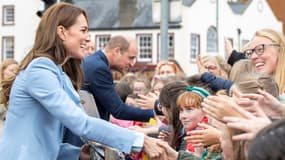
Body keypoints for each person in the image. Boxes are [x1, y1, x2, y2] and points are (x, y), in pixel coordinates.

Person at [0, 3, 165, 159]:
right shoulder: (40, 70)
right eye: (83, 30)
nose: (88, 38)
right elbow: (81, 123)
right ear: (62, 32)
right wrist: (139, 140)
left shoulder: (58, 73)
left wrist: (77, 153)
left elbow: (44, 140)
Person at [81, 35, 154, 121]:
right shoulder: (99, 69)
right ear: (117, 51)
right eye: (130, 58)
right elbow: (118, 110)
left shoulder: (93, 62)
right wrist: (154, 114)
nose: (132, 64)